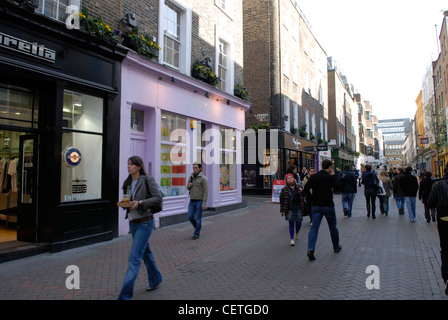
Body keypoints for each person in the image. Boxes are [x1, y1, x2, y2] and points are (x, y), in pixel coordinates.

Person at [118, 156, 163, 300]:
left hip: (145, 222)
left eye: (131, 164)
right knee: (145, 253)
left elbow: (158, 198)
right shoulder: (128, 182)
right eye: (127, 164)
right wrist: (124, 203)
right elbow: (128, 200)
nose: (128, 167)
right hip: (134, 223)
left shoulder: (147, 179)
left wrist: (141, 202)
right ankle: (156, 279)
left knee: (134, 258)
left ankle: (124, 297)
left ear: (139, 166)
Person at [304, 159, 342, 261]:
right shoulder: (329, 177)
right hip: (328, 205)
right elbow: (338, 187)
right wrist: (334, 176)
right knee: (333, 227)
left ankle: (311, 249)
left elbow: (306, 189)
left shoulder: (314, 177)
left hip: (316, 205)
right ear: (329, 167)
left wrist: (312, 198)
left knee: (314, 228)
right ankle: (336, 246)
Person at [427, 167, 448, 295]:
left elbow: (430, 202)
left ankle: (447, 277)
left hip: (444, 219)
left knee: (445, 249)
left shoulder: (438, 184)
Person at [280, 173, 305, 246]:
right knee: (291, 223)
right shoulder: (284, 189)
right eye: (288, 178)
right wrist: (282, 210)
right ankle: (292, 239)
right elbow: (281, 200)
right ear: (286, 180)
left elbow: (304, 195)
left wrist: (302, 191)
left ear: (294, 179)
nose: (290, 179)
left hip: (298, 207)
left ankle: (297, 232)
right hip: (289, 208)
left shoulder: (299, 187)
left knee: (298, 223)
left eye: (291, 177)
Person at [187, 162, 209, 239]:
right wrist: (188, 186)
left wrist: (204, 203)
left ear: (200, 168)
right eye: (193, 168)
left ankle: (196, 233)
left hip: (199, 201)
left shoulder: (203, 178)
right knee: (190, 216)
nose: (194, 169)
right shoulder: (191, 177)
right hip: (192, 200)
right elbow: (187, 187)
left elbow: (206, 191)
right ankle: (197, 227)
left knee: (197, 218)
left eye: (196, 168)